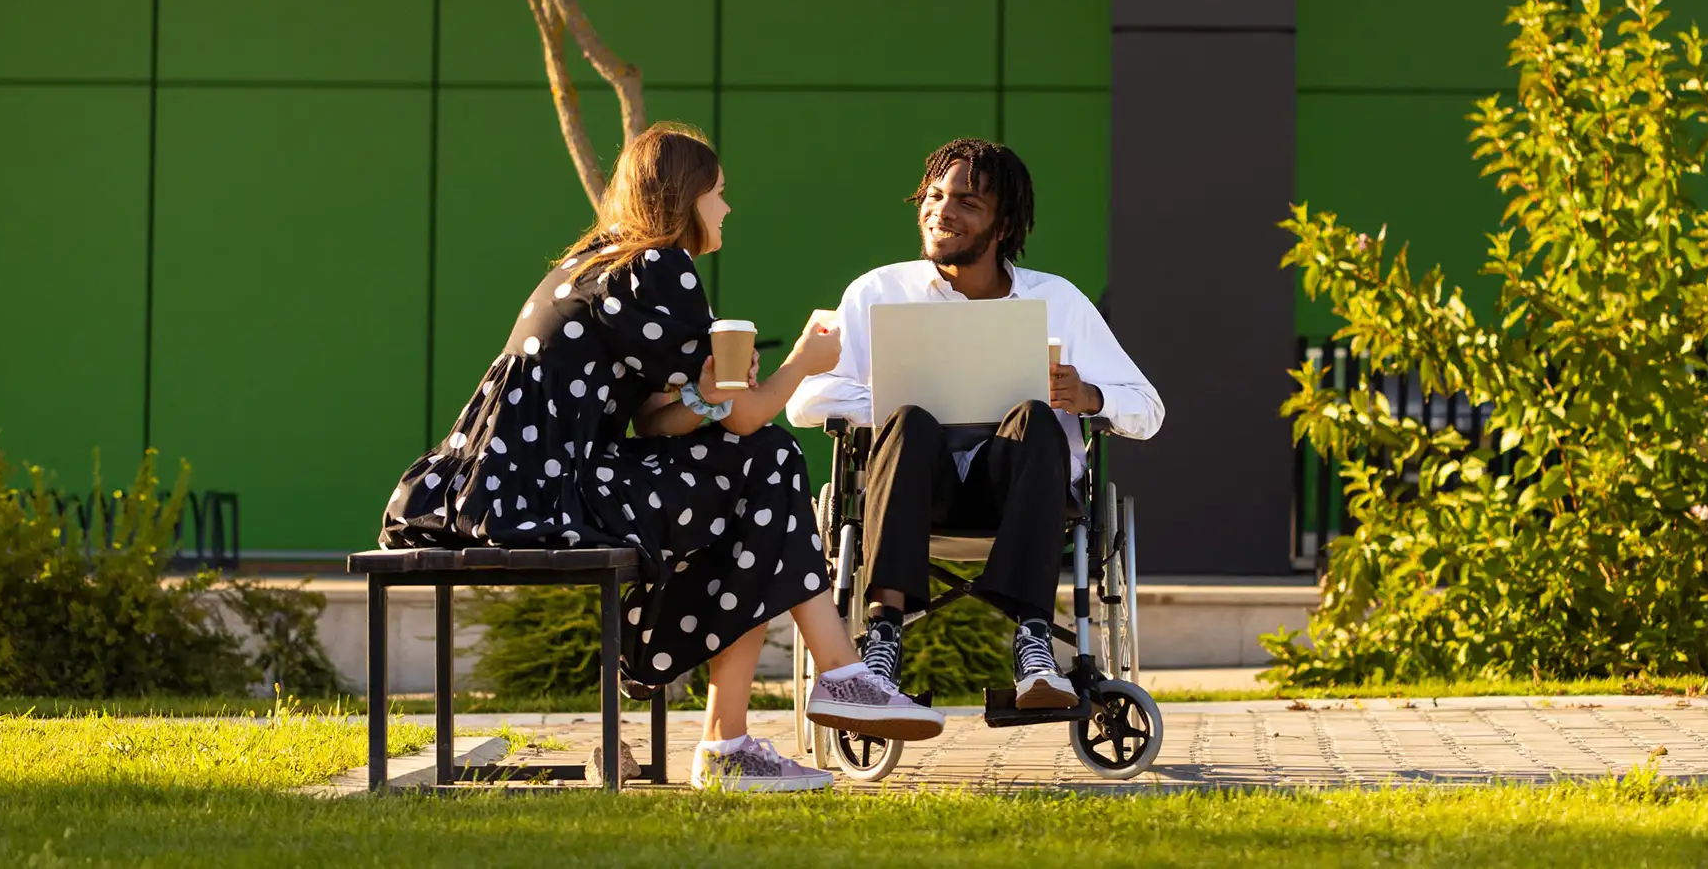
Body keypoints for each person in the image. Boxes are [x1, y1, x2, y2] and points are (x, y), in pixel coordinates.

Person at [379, 122, 942, 791]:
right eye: (720, 193)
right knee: (768, 456)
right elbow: (750, 415)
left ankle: (786, 707)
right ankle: (801, 699)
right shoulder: (657, 265)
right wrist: (804, 363)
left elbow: (654, 421)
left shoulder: (599, 263)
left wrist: (704, 399)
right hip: (544, 494)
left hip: (505, 487)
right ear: (687, 197)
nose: (728, 208)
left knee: (759, 483)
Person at [787, 138, 1164, 710]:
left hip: (1017, 493)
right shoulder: (879, 293)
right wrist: (890, 398)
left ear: (1004, 222)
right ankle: (882, 641)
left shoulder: (1057, 300)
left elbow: (1148, 409)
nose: (942, 211)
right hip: (915, 491)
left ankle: (1035, 643)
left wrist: (1087, 395)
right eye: (934, 196)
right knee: (911, 418)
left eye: (967, 201)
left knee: (1037, 417)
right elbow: (804, 401)